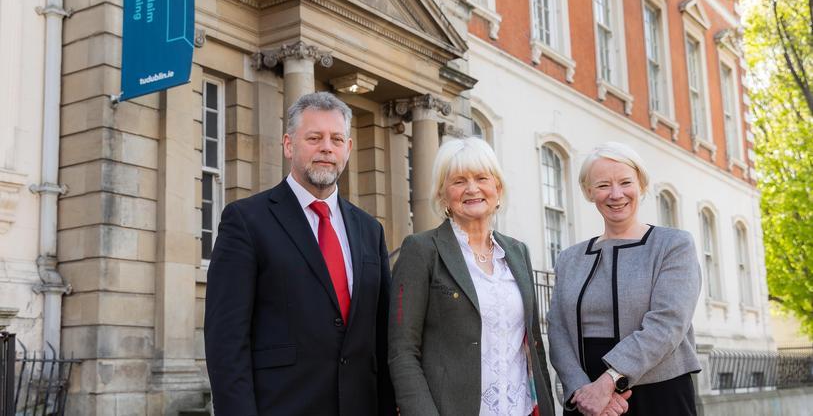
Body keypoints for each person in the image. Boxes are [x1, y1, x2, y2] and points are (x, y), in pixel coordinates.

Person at [204, 92, 396, 415]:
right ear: (289, 145)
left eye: (336, 139)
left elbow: (383, 338)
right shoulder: (246, 221)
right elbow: (226, 344)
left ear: (347, 149)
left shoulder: (370, 231)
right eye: (314, 137)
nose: (326, 147)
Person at [388, 137, 556, 416]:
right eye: (458, 181)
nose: (472, 188)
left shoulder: (517, 252)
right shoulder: (421, 250)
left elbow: (533, 346)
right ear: (443, 194)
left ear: (497, 188)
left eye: (481, 178)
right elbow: (402, 351)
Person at [548, 142, 701, 416]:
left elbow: (668, 323)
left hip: (659, 397)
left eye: (625, 182)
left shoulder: (673, 245)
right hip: (587, 401)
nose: (616, 194)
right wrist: (581, 390)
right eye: (603, 185)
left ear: (641, 185)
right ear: (588, 191)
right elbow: (557, 330)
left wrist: (608, 383)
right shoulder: (569, 258)